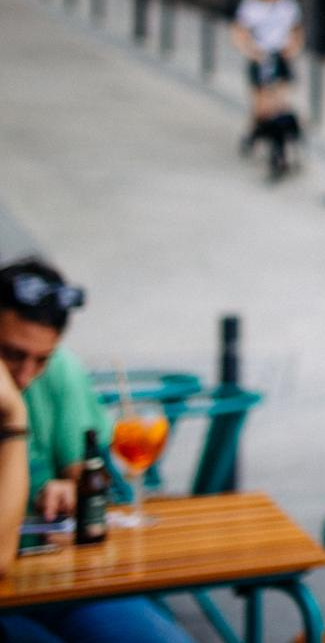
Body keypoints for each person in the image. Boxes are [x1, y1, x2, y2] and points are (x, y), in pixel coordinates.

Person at [0, 260, 192, 642]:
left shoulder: (61, 370)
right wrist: (15, 419)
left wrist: (70, 491)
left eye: (41, 359)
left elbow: (84, 475)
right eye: (11, 354)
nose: (24, 376)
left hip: (56, 575)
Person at [231, 0, 304, 178]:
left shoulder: (288, 6)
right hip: (260, 57)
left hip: (280, 58)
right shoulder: (251, 7)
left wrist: (293, 48)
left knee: (279, 106)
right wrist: (250, 51)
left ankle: (278, 153)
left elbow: (297, 31)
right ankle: (255, 133)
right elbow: (239, 32)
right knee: (261, 109)